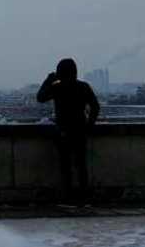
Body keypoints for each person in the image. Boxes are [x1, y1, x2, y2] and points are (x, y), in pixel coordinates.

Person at [36, 57, 100, 202]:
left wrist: (49, 80)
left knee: (66, 167)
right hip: (80, 129)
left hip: (63, 130)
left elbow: (40, 97)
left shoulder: (57, 87)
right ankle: (84, 197)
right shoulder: (83, 86)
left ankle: (68, 197)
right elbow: (95, 106)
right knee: (81, 166)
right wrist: (89, 125)